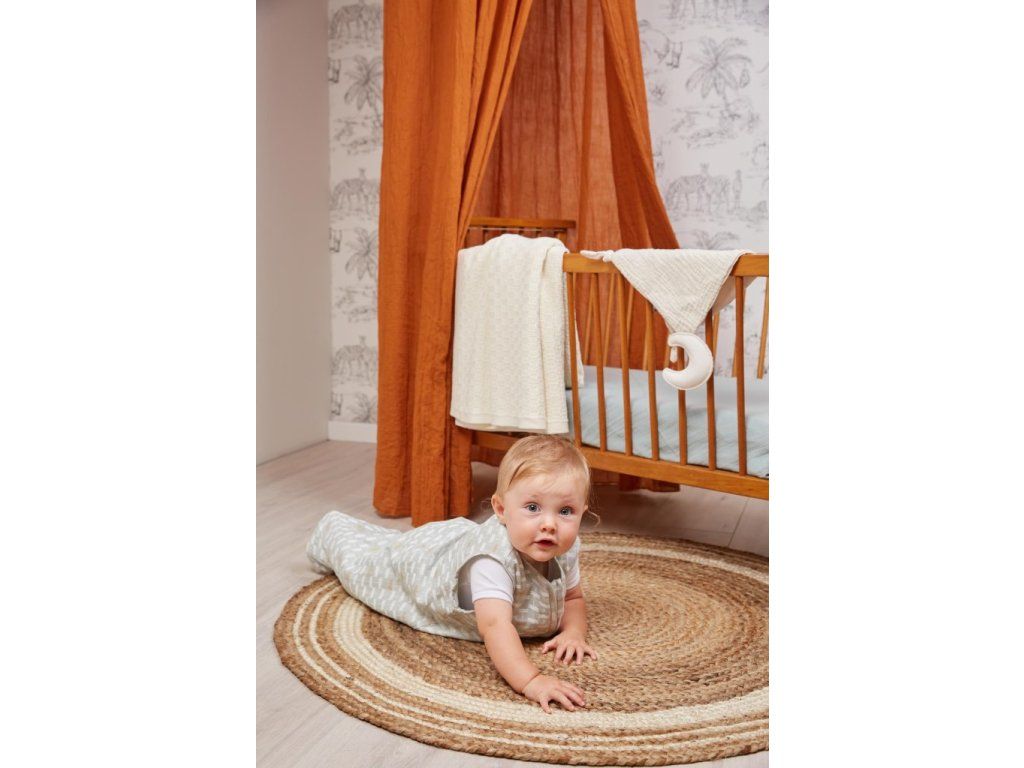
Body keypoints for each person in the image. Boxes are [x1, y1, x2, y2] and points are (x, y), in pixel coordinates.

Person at [305, 434, 599, 713]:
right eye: (532, 507)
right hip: (428, 563)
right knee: (372, 561)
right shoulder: (491, 562)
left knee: (384, 547)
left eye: (565, 511)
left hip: (458, 545)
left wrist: (573, 633)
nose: (549, 524)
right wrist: (531, 680)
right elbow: (495, 625)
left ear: (581, 512)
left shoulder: (565, 548)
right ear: (501, 509)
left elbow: (572, 597)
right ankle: (333, 529)